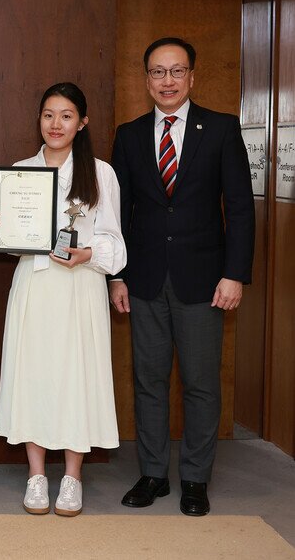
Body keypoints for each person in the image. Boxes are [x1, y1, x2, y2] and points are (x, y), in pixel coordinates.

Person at [111, 37, 255, 516]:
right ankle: (153, 474)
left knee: (200, 384)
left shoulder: (220, 129)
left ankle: (195, 479)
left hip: (204, 281)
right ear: (146, 78)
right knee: (149, 381)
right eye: (157, 72)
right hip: (145, 280)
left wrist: (234, 274)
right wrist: (117, 276)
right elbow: (119, 214)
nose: (167, 81)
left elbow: (238, 208)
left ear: (192, 76)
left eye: (176, 71)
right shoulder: (129, 135)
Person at [0, 82, 126, 517]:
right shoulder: (20, 170)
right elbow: (15, 245)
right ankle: (35, 475)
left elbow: (115, 245)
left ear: (82, 122)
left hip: (80, 288)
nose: (56, 124)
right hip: (35, 285)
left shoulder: (100, 173)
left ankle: (71, 477)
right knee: (34, 375)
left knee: (75, 377)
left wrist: (88, 255)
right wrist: (2, 224)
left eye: (66, 115)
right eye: (48, 114)